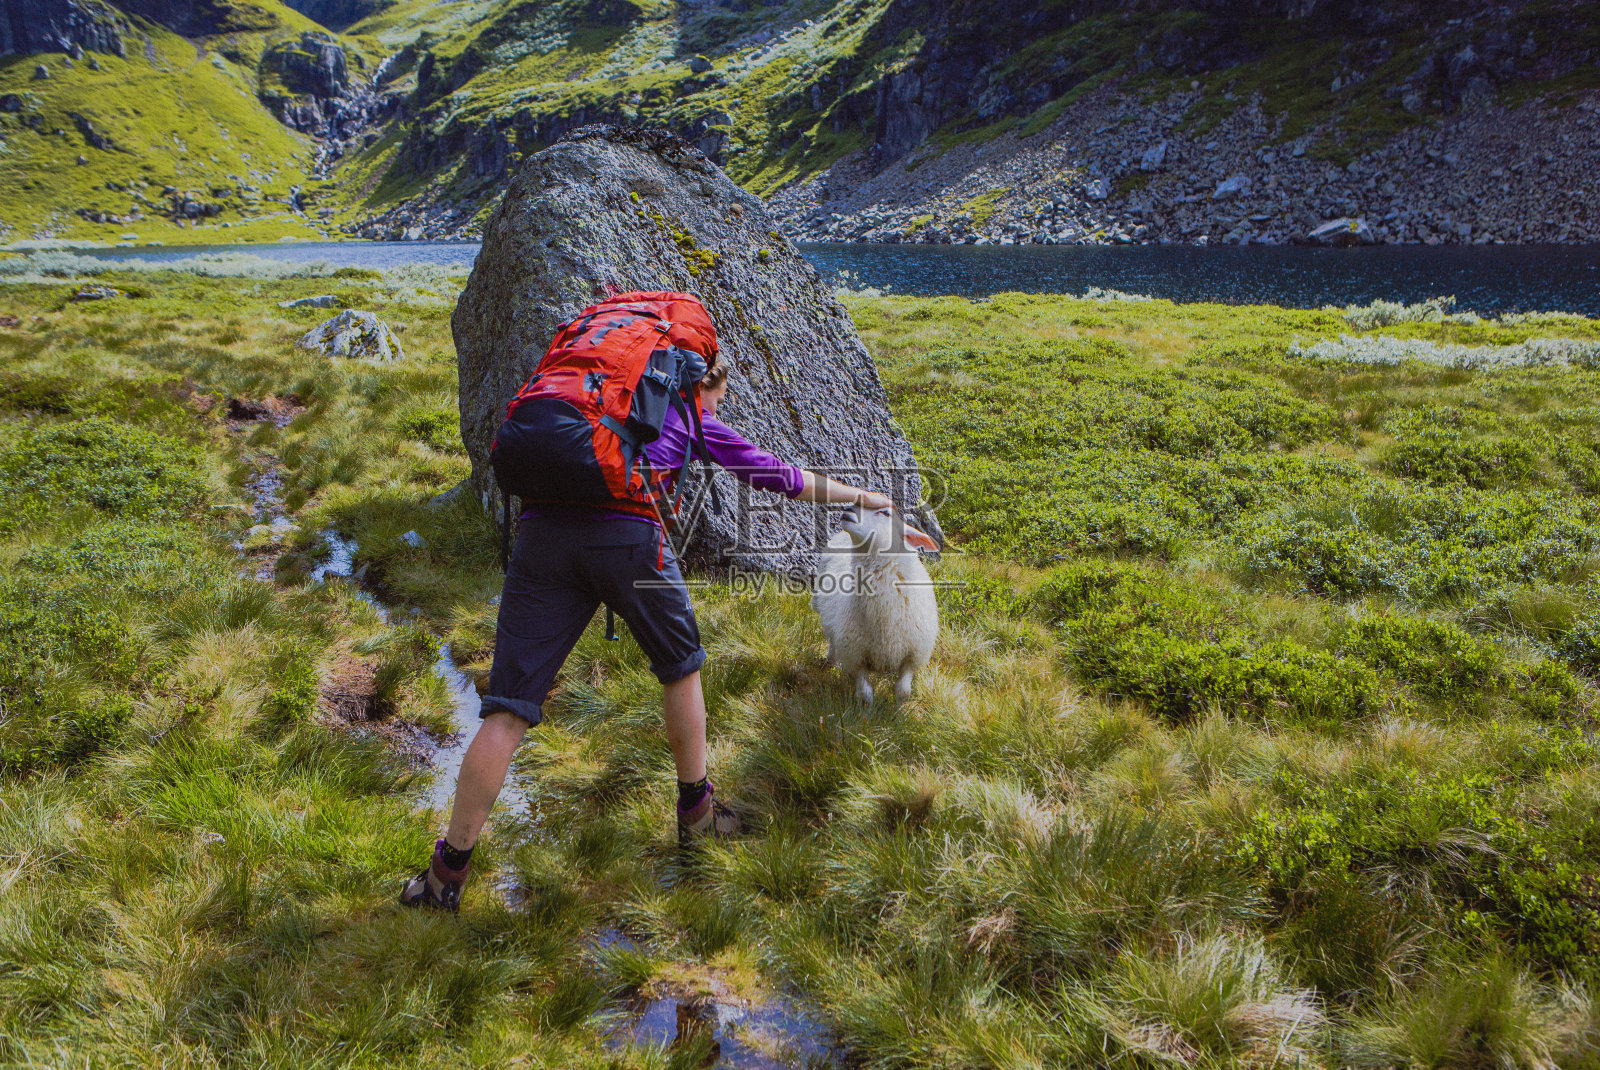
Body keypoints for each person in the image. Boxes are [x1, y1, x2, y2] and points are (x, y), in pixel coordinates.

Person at [402, 360, 892, 911]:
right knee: (681, 667)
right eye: (716, 402)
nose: (715, 413)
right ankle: (699, 818)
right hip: (628, 536)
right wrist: (869, 500)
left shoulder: (598, 395)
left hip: (541, 536)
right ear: (699, 386)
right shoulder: (685, 410)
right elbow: (779, 476)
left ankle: (445, 877)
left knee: (507, 710)